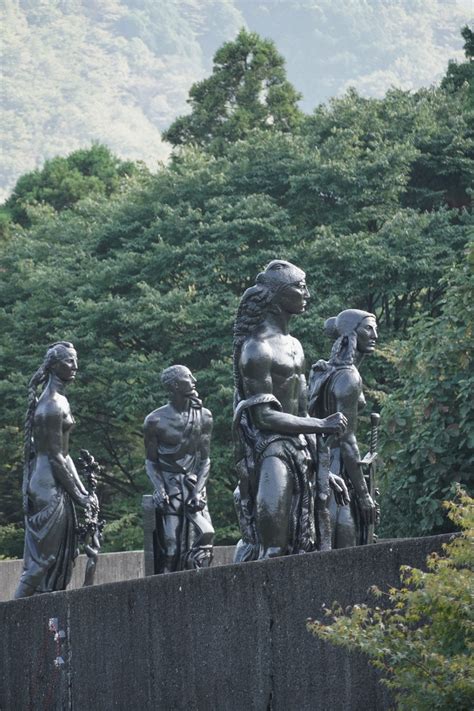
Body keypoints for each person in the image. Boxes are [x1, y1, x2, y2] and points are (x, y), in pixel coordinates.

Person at [233, 260, 348, 562]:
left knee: (305, 545)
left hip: (301, 448)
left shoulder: (295, 345)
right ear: (276, 296)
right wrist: (322, 425)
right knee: (275, 549)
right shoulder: (256, 348)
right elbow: (264, 417)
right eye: (299, 287)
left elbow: (300, 410)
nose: (306, 293)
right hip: (271, 449)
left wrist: (322, 467)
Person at [15, 342, 97, 598]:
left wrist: (83, 492)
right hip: (46, 488)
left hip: (56, 484)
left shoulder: (61, 400)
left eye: (75, 360)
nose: (75, 366)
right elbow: (54, 458)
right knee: (43, 561)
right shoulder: (50, 405)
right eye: (69, 361)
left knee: (59, 561)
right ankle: (9, 621)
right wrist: (79, 496)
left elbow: (65, 454)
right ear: (53, 365)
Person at [308, 309, 378, 548]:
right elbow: (347, 441)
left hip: (320, 464)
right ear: (352, 333)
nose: (375, 334)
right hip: (337, 469)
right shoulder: (349, 377)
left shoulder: (327, 371)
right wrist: (364, 494)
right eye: (368, 328)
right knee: (344, 547)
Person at [144, 365, 214, 572]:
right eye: (188, 377)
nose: (194, 380)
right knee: (171, 550)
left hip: (195, 487)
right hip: (170, 487)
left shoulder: (204, 416)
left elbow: (205, 460)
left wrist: (197, 491)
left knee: (202, 547)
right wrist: (159, 488)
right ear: (175, 385)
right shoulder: (154, 421)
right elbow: (151, 461)